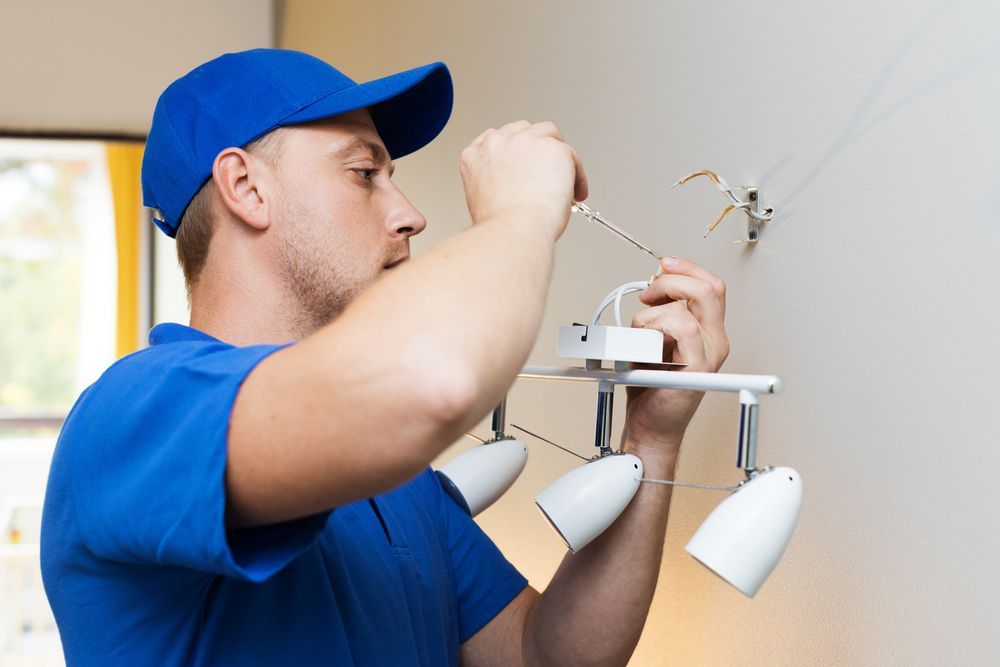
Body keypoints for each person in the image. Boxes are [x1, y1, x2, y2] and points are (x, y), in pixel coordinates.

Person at [40, 48, 729, 666]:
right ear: (247, 189)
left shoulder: (392, 474)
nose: (408, 213)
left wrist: (653, 436)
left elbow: (543, 654)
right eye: (364, 173)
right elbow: (430, 380)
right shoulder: (138, 417)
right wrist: (518, 215)